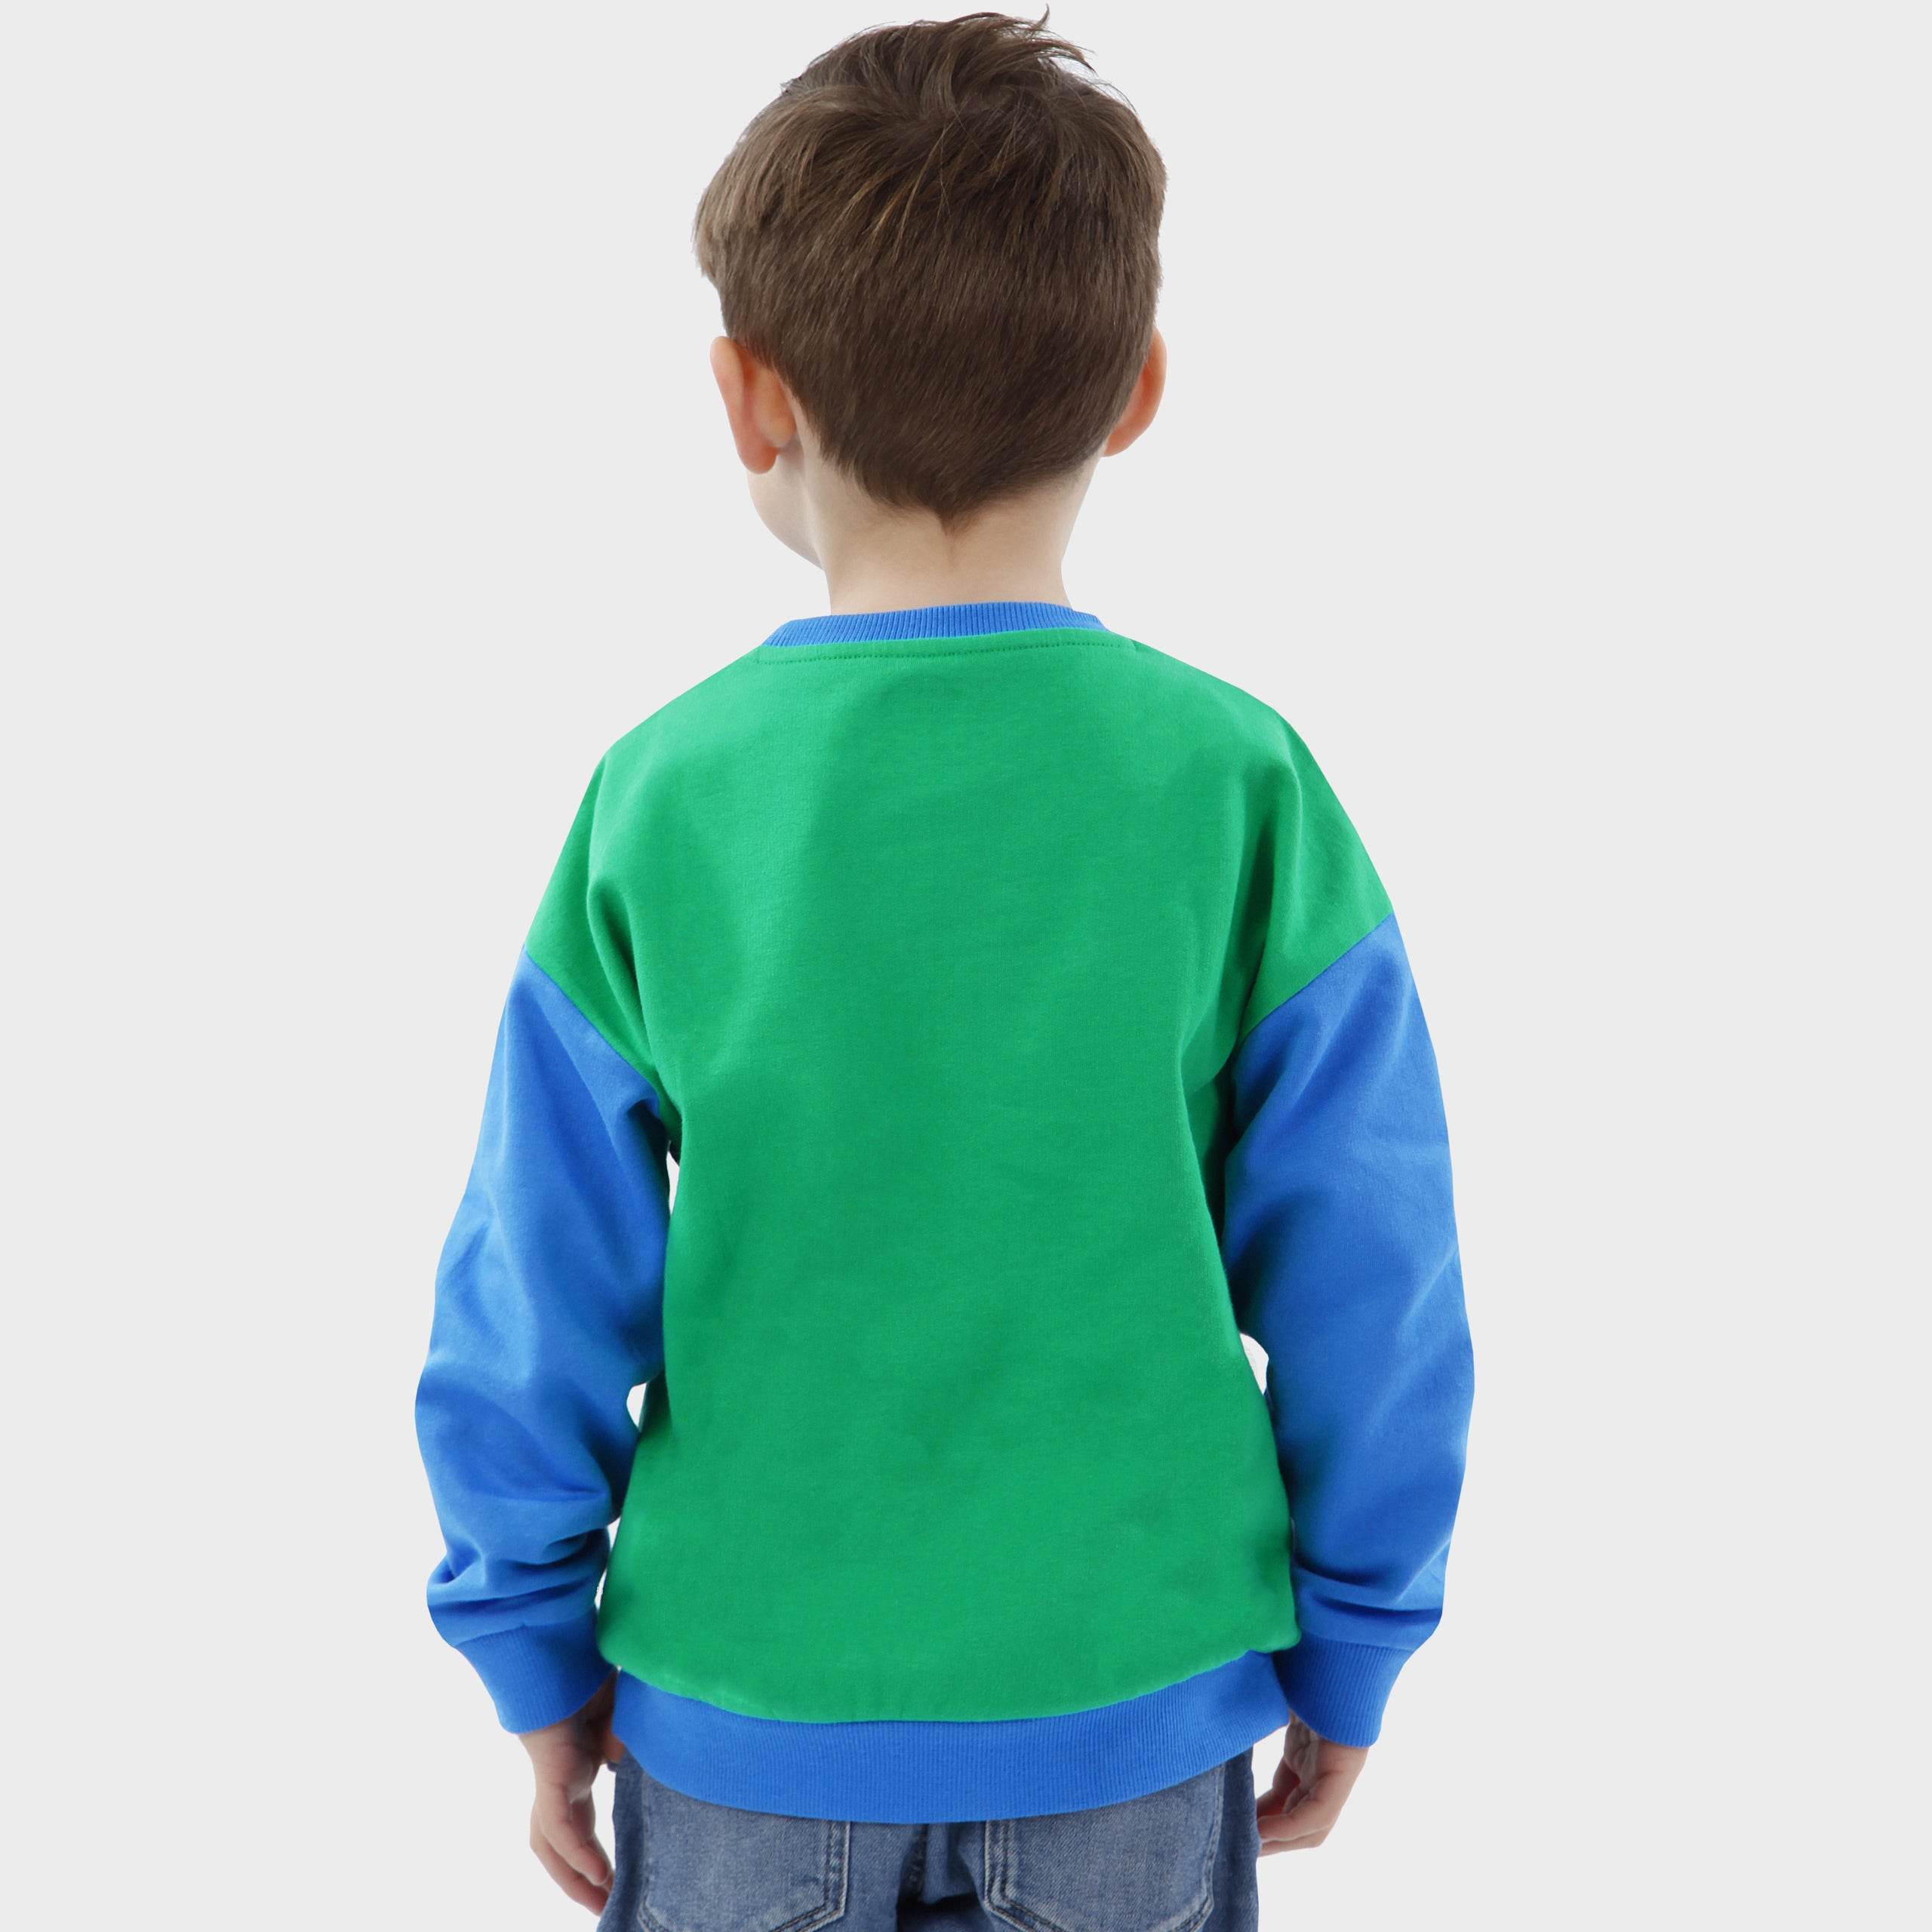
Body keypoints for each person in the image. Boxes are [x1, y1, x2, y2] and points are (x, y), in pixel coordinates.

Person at [416, 14, 1474, 1927]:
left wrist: (532, 1652)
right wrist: (1353, 1641)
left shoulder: (661, 796)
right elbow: (1369, 1270)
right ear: (1136, 389)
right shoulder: (1236, 782)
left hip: (740, 1719)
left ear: (748, 396)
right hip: (1132, 1714)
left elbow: (535, 1281)